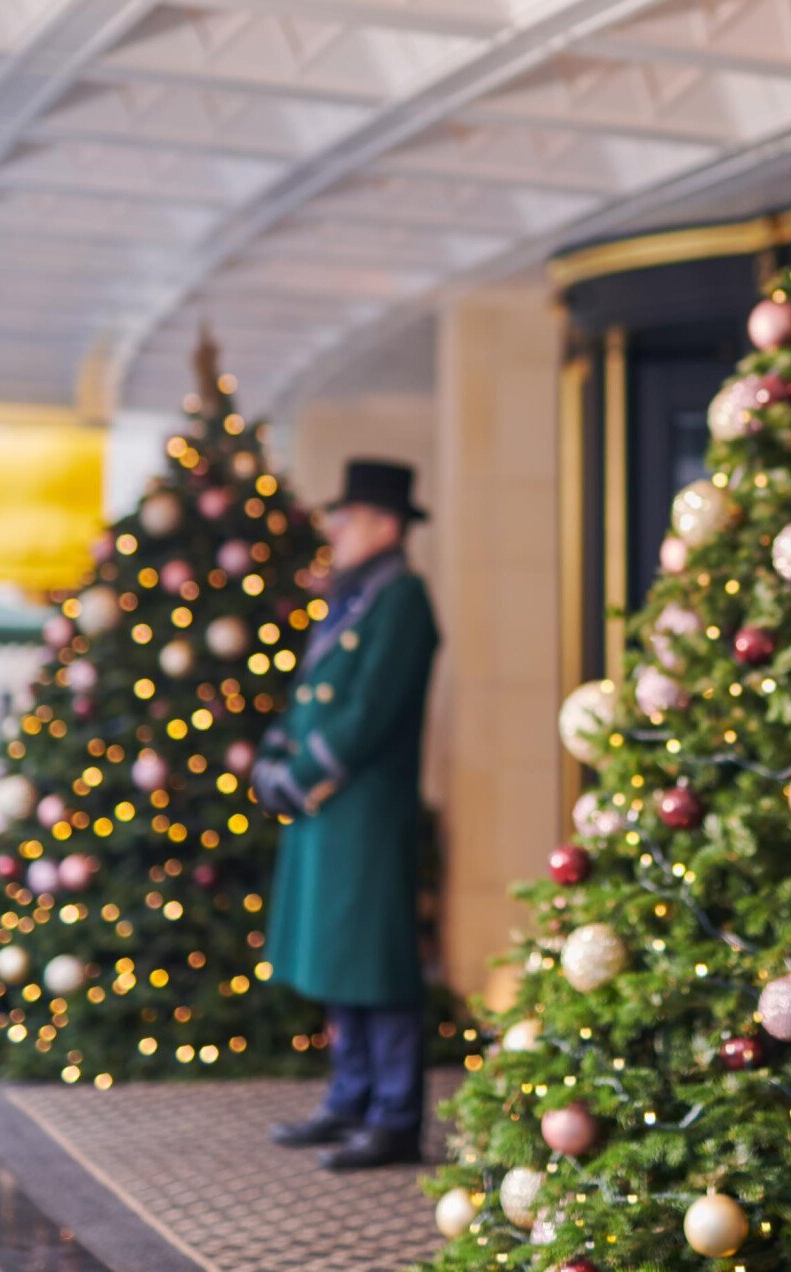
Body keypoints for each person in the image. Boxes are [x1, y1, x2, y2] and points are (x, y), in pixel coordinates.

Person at [256, 459, 441, 1171]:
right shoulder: (353, 596)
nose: (335, 529)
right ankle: (350, 1097)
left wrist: (298, 778)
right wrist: (274, 759)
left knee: (377, 963)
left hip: (361, 809)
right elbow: (309, 696)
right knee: (339, 961)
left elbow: (368, 713)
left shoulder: (403, 599)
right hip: (327, 816)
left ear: (386, 526)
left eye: (349, 516)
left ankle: (395, 1116)